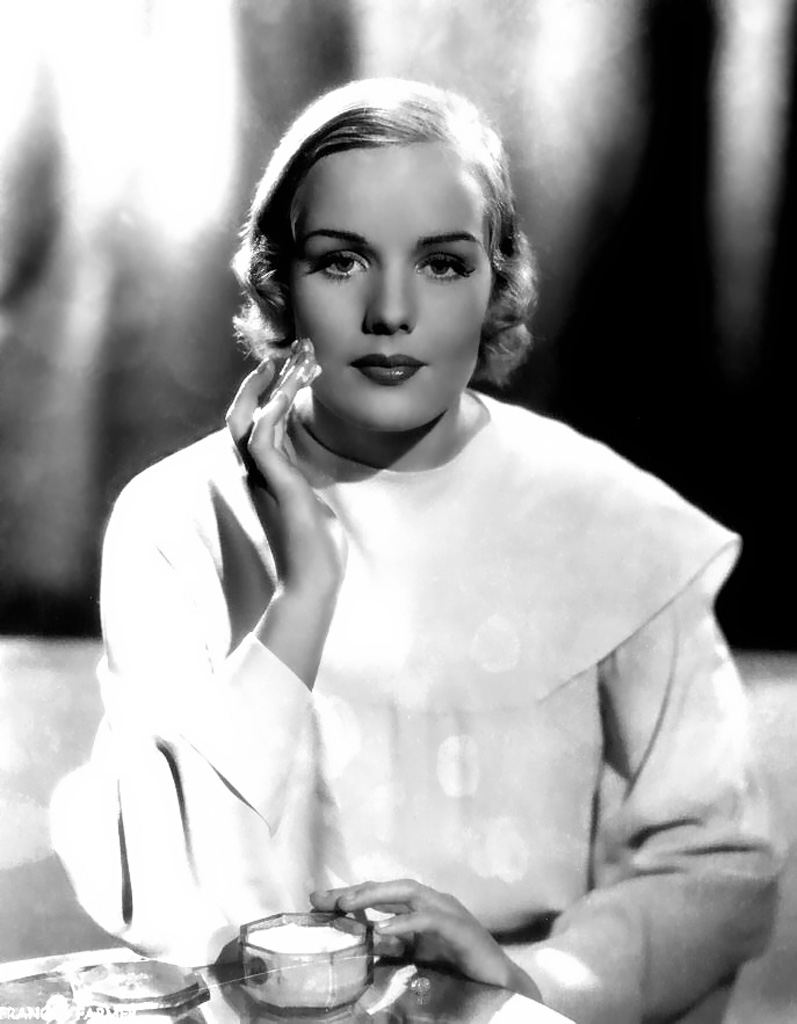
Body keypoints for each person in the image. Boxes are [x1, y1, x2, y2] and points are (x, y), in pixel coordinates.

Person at [51, 78, 779, 1024]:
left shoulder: (611, 517)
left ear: (496, 283)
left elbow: (715, 864)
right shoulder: (172, 519)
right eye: (340, 261)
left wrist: (530, 979)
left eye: (440, 264)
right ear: (278, 283)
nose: (390, 310)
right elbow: (162, 889)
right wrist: (303, 595)